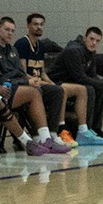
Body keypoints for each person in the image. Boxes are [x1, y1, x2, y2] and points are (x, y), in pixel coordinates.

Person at [0, 17, 69, 155]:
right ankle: (43, 138)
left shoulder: (12, 50)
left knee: (56, 91)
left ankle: (52, 134)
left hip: (19, 85)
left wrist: (29, 80)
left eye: (12, 31)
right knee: (33, 93)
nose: (10, 33)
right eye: (7, 29)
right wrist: (25, 82)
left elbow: (21, 72)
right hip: (3, 89)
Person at [16, 15, 90, 144]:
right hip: (28, 84)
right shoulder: (22, 43)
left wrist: (51, 83)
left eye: (41, 24)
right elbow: (22, 73)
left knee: (59, 89)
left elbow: (42, 72)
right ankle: (48, 132)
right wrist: (45, 84)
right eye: (35, 24)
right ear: (28, 25)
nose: (39, 27)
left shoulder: (40, 45)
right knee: (55, 92)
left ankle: (55, 131)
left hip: (40, 82)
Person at [51, 25, 103, 143]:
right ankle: (84, 129)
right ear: (84, 38)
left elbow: (92, 76)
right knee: (90, 89)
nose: (94, 43)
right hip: (58, 82)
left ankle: (95, 128)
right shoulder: (73, 51)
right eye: (91, 39)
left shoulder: (91, 53)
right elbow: (80, 77)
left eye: (97, 41)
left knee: (99, 89)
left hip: (73, 82)